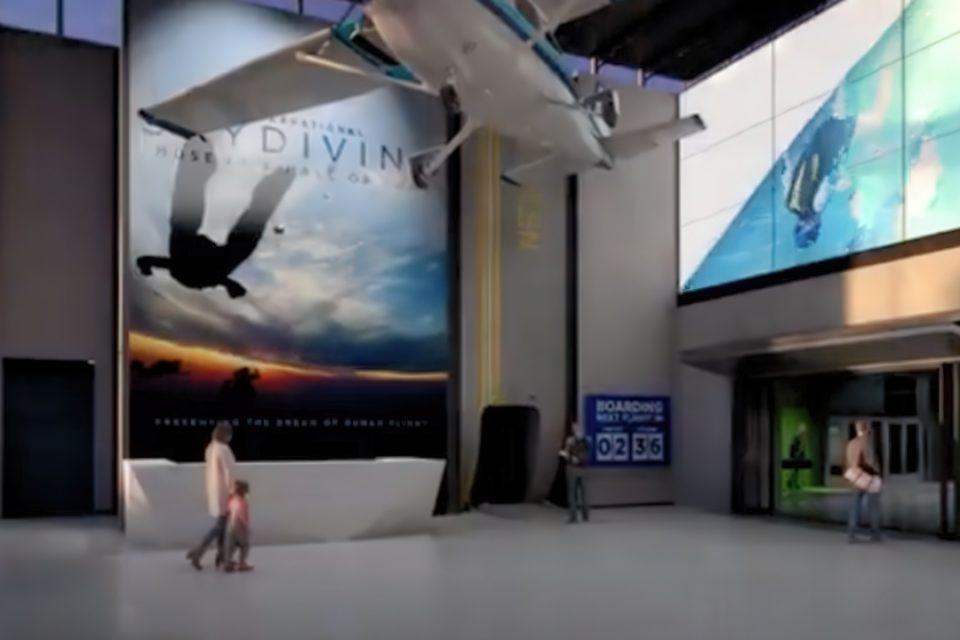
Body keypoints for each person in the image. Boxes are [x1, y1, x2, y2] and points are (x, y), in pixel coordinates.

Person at [186, 421, 237, 570]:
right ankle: (199, 551)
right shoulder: (224, 449)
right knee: (221, 526)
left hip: (215, 491)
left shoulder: (210, 448)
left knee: (223, 526)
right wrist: (232, 491)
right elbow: (228, 472)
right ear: (226, 434)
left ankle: (222, 557)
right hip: (225, 492)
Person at [843, 420, 883, 543]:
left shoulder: (850, 444)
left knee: (855, 507)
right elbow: (871, 462)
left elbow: (850, 462)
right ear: (866, 429)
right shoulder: (867, 443)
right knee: (873, 507)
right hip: (868, 478)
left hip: (856, 478)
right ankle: (875, 533)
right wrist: (877, 474)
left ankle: (851, 533)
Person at [559, 423, 590, 524]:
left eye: (575, 429)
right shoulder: (587, 441)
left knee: (573, 493)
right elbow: (587, 456)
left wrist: (567, 455)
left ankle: (573, 517)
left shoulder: (571, 441)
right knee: (583, 493)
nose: (575, 431)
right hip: (583, 469)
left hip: (573, 469)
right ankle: (585, 516)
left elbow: (568, 454)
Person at [223, 479, 253, 573]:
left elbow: (227, 511)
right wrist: (246, 526)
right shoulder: (242, 501)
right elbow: (240, 514)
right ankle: (242, 564)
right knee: (245, 545)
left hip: (229, 524)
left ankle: (227, 563)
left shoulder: (232, 500)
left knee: (230, 545)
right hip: (238, 524)